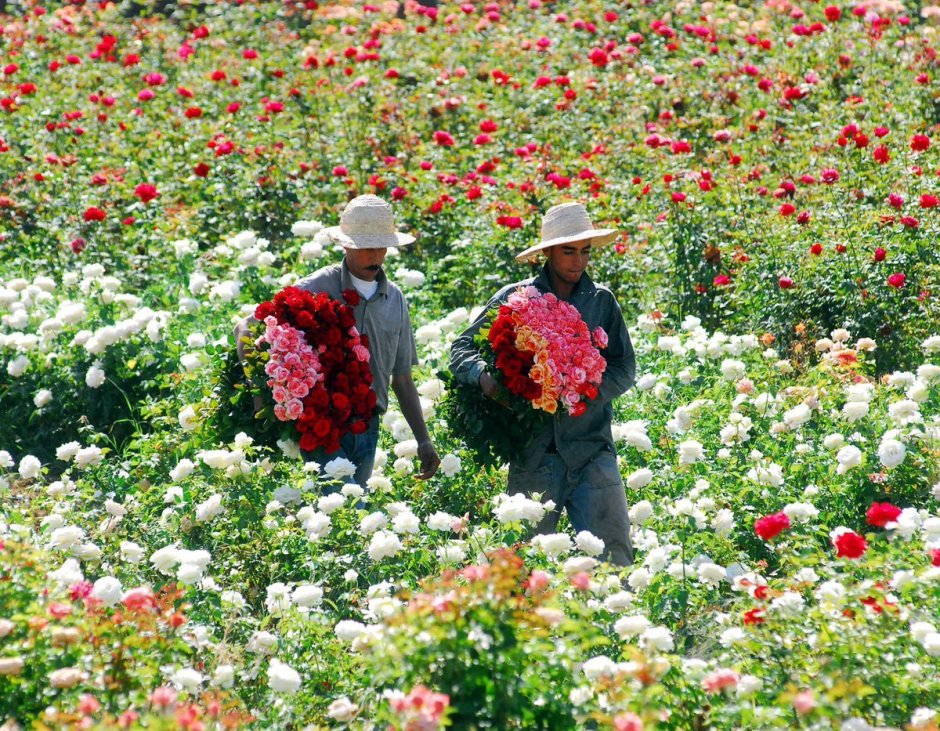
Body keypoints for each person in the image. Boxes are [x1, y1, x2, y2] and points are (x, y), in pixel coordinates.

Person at [450, 202, 635, 566]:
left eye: (584, 251)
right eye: (568, 251)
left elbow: (624, 368)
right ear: (547, 253)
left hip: (592, 449)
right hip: (534, 455)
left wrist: (583, 393)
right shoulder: (516, 298)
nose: (578, 261)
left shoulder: (601, 302)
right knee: (525, 567)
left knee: (615, 560)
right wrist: (486, 379)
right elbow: (461, 348)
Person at [236, 194, 440, 486]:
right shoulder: (316, 288)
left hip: (369, 425)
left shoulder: (394, 299)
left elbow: (403, 379)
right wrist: (259, 395)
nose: (375, 256)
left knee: (352, 520)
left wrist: (423, 441)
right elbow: (245, 327)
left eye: (381, 247)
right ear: (346, 245)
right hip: (323, 426)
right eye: (366, 247)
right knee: (341, 512)